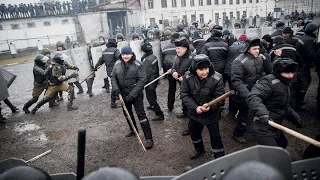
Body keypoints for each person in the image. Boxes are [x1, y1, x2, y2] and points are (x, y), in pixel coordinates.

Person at [247, 58, 303, 148]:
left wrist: (293, 116)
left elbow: (282, 104)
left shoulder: (285, 83)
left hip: (274, 125)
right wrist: (262, 113)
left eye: (292, 72)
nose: (291, 75)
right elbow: (253, 96)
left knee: (282, 144)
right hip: (262, 125)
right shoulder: (268, 81)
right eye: (288, 72)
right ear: (279, 71)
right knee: (274, 151)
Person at [181, 54, 225, 159]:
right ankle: (199, 150)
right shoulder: (187, 77)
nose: (205, 72)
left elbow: (220, 97)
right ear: (195, 69)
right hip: (195, 114)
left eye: (206, 68)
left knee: (215, 137)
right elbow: (184, 94)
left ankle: (219, 157)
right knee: (194, 133)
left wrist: (211, 106)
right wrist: (195, 107)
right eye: (201, 69)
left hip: (212, 115)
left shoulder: (217, 78)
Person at [111, 46, 154, 149]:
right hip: (123, 95)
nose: (125, 56)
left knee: (141, 115)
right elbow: (113, 77)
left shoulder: (138, 64)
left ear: (131, 54)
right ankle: (133, 130)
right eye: (123, 54)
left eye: (127, 54)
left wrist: (132, 95)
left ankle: (149, 138)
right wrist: (116, 90)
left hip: (136, 95)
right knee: (127, 114)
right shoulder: (117, 64)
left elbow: (142, 80)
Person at [231, 38, 272, 144]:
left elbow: (265, 72)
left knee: (258, 112)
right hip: (245, 92)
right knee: (244, 115)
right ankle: (237, 134)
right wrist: (248, 95)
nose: (257, 51)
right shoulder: (239, 61)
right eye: (254, 49)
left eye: (258, 48)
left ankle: (256, 130)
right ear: (248, 49)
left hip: (257, 90)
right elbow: (236, 81)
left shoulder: (260, 58)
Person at [171, 37, 194, 135]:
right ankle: (185, 112)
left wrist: (185, 77)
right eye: (176, 48)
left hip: (191, 85)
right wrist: (174, 72)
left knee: (191, 104)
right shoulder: (177, 57)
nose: (177, 50)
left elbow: (195, 72)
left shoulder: (192, 58)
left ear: (185, 48)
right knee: (183, 98)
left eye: (179, 48)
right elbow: (173, 68)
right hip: (181, 83)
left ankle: (191, 127)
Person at [295, 23, 320, 111]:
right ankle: (298, 103)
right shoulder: (309, 40)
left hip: (301, 64)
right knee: (303, 84)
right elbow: (312, 55)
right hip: (302, 65)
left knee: (302, 83)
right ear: (313, 31)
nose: (317, 31)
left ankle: (297, 102)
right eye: (317, 29)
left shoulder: (305, 37)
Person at [141, 39, 164, 121]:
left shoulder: (147, 60)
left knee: (150, 97)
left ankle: (159, 114)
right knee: (152, 94)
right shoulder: (153, 56)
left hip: (150, 81)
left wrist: (141, 84)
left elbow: (145, 74)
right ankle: (152, 105)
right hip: (154, 79)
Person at [94, 39, 121, 108]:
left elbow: (100, 61)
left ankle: (118, 97)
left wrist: (96, 67)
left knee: (116, 84)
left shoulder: (104, 52)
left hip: (109, 72)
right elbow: (121, 59)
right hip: (117, 71)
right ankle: (113, 102)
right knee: (116, 85)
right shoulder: (116, 50)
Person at [224, 34, 247, 112]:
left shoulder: (231, 45)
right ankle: (236, 109)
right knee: (237, 90)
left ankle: (231, 108)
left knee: (231, 90)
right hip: (235, 70)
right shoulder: (244, 46)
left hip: (227, 70)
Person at [162, 32, 179, 112]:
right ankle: (185, 108)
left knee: (171, 88)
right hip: (179, 71)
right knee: (184, 89)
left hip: (170, 71)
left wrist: (165, 71)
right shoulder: (180, 47)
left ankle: (170, 105)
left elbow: (163, 61)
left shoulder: (165, 48)